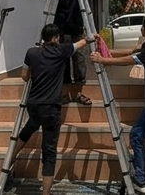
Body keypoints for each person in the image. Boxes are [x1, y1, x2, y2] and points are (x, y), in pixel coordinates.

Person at [91, 13, 145, 195]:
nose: (141, 27)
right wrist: (102, 47)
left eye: (143, 25)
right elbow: (129, 53)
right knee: (136, 136)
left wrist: (103, 61)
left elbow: (128, 61)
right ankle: (141, 179)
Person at [20, 24, 91, 195]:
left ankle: (10, 160)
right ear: (56, 38)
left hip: (34, 104)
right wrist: (90, 38)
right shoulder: (61, 51)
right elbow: (79, 44)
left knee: (28, 129)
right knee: (49, 149)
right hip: (51, 107)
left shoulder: (31, 53)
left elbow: (24, 76)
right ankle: (46, 192)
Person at [53, 0, 91, 105]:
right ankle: (65, 94)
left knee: (78, 60)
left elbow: (84, 5)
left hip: (75, 28)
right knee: (64, 60)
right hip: (62, 29)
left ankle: (77, 93)